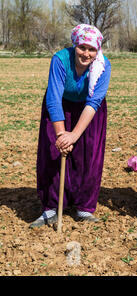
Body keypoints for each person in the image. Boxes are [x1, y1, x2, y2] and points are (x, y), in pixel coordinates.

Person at [30, 24, 111, 228]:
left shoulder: (104, 66)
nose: (86, 53)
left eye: (91, 49)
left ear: (98, 50)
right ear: (75, 45)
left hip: (89, 110)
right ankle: (51, 207)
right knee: (53, 153)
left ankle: (84, 206)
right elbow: (53, 98)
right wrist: (61, 135)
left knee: (88, 155)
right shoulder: (60, 60)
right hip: (60, 106)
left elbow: (94, 102)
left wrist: (73, 135)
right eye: (82, 47)